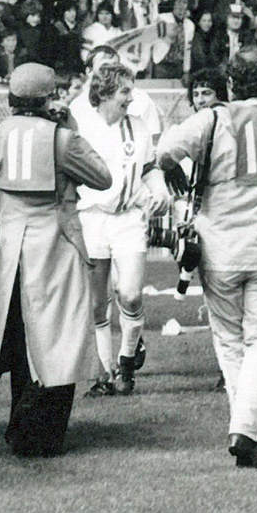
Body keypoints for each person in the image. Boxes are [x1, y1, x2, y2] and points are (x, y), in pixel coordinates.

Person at [157, 48, 257, 468]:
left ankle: (249, 430)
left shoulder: (213, 118)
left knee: (230, 343)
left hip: (219, 250)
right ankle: (250, 430)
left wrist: (173, 169)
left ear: (231, 84)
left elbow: (166, 150)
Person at [0, 63, 112, 457]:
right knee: (59, 340)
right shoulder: (63, 138)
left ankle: (19, 423)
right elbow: (103, 178)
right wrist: (71, 126)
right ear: (49, 98)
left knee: (18, 338)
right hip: (56, 245)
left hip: (12, 249)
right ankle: (46, 431)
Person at [75, 63, 171, 396]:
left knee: (130, 293)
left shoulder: (138, 126)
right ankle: (105, 373)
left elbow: (149, 168)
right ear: (103, 93)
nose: (131, 98)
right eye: (125, 91)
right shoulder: (81, 128)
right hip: (91, 218)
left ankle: (127, 361)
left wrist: (159, 190)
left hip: (129, 219)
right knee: (97, 303)